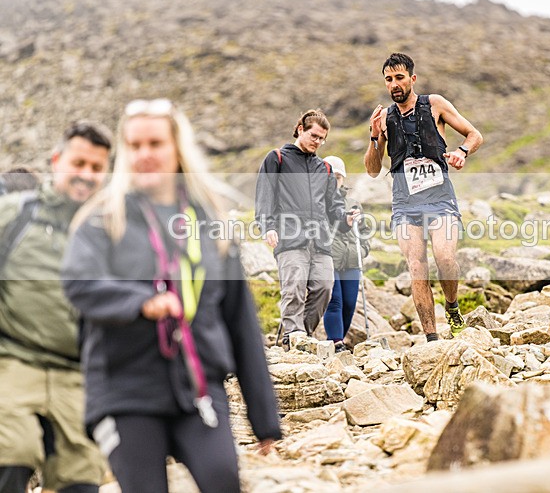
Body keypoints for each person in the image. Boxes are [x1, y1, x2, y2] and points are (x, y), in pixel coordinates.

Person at [62, 99, 282, 493]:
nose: (144, 154)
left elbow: (241, 324)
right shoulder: (101, 220)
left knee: (222, 479)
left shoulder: (211, 223)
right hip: (123, 390)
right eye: (135, 145)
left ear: (177, 148)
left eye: (155, 143)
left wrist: (265, 421)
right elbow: (80, 283)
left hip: (197, 386)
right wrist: (140, 302)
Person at [0, 121, 112, 493]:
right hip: (14, 361)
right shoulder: (14, 214)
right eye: (78, 164)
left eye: (96, 168)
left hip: (78, 376)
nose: (86, 175)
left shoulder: (109, 231)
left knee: (81, 478)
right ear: (56, 160)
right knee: (13, 454)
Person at [364, 53, 484, 342]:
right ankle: (432, 338)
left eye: (399, 78)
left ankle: (453, 309)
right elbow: (371, 170)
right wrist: (373, 136)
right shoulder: (385, 117)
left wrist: (461, 152)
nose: (394, 84)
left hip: (440, 198)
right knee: (417, 267)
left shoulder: (434, 105)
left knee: (444, 257)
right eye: (389, 79)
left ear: (412, 79)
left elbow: (474, 135)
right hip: (405, 204)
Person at [255, 110, 357, 351]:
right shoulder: (277, 158)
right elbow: (264, 196)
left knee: (324, 288)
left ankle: (302, 337)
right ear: (300, 129)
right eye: (314, 135)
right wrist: (267, 226)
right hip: (290, 237)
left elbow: (334, 207)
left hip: (320, 241)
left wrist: (345, 219)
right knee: (294, 290)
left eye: (322, 138)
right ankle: (293, 335)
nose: (318, 142)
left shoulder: (325, 169)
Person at [321, 156, 370, 353]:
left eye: (338, 177)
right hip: (329, 259)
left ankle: (335, 339)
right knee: (335, 301)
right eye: (331, 176)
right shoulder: (318, 202)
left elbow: (364, 231)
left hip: (351, 261)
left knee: (349, 303)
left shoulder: (353, 203)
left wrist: (363, 249)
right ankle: (337, 342)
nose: (335, 180)